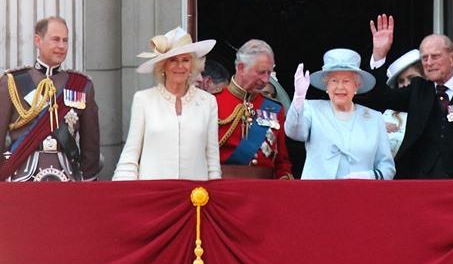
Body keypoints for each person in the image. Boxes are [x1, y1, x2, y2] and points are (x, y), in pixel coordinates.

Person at [366, 15, 453, 179]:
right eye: (424, 58)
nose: (428, 63)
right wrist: (379, 55)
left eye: (435, 56)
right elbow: (379, 97)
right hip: (421, 184)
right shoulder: (418, 89)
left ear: (452, 58)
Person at [113, 27, 221, 180]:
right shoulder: (144, 99)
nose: (180, 66)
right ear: (163, 65)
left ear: (192, 65)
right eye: (173, 60)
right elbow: (130, 155)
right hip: (154, 195)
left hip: (196, 196)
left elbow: (212, 160)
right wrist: (125, 194)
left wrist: (213, 194)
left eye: (185, 60)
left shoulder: (207, 102)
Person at [0, 16, 100, 181]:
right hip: (21, 179)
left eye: (65, 40)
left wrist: (88, 181)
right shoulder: (12, 82)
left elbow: (91, 147)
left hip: (66, 179)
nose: (61, 46)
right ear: (38, 41)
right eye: (55, 39)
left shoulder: (81, 85)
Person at [285, 48, 394, 180]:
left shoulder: (374, 118)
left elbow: (387, 168)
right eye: (334, 81)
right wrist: (298, 98)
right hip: (317, 195)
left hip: (359, 196)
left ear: (357, 85)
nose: (340, 87)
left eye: (346, 81)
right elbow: (294, 132)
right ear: (326, 86)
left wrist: (369, 176)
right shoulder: (311, 109)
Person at [214, 39, 292, 179]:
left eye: (269, 73)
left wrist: (284, 178)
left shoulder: (274, 109)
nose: (266, 79)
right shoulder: (212, 103)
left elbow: (282, 161)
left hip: (263, 191)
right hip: (224, 189)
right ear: (241, 68)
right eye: (261, 72)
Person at [382, 48, 422, 157]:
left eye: (412, 79)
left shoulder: (438, 107)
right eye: (401, 81)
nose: (406, 84)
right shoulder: (387, 115)